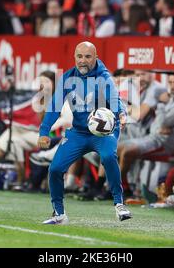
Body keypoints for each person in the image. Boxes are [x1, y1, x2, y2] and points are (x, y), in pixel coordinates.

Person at [38, 41, 132, 224]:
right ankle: (59, 213)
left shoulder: (104, 77)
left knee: (108, 157)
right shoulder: (67, 78)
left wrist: (121, 114)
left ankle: (119, 204)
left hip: (105, 131)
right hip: (79, 132)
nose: (83, 61)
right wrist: (43, 131)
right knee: (55, 168)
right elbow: (54, 107)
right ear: (74, 58)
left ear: (95, 58)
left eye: (88, 56)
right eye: (79, 56)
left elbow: (115, 98)